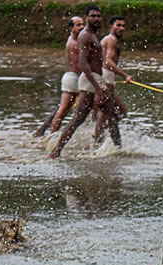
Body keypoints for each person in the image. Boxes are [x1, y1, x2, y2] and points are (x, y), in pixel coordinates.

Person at [49, 5, 110, 158]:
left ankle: (107, 144)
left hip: (95, 79)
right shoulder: (85, 36)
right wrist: (97, 87)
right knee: (78, 118)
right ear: (87, 18)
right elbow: (83, 63)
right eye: (93, 16)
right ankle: (56, 150)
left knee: (110, 113)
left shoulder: (95, 35)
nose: (96, 18)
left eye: (98, 16)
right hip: (90, 80)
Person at [34, 16, 85, 137]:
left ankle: (46, 133)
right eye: (78, 25)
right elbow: (79, 65)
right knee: (64, 111)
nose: (82, 27)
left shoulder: (74, 39)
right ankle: (51, 135)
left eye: (83, 24)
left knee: (62, 110)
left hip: (70, 77)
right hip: (74, 78)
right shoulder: (74, 43)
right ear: (71, 28)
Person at [93, 15, 133, 144]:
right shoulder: (111, 40)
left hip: (104, 77)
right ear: (111, 26)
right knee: (117, 111)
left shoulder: (108, 39)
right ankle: (99, 137)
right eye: (118, 25)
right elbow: (108, 62)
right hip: (105, 77)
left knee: (108, 112)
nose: (122, 28)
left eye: (123, 26)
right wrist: (125, 76)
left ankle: (101, 136)